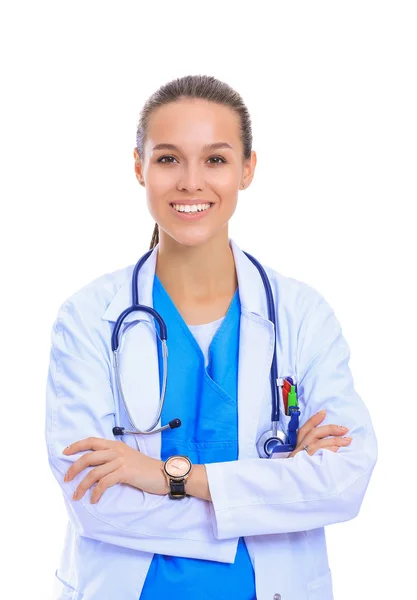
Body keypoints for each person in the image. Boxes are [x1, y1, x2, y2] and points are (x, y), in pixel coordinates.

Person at [45, 74, 378, 600]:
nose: (191, 182)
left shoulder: (301, 315)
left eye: (216, 160)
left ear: (247, 169)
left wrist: (167, 477)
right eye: (168, 158)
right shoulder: (88, 318)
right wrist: (270, 495)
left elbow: (342, 482)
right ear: (139, 168)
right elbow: (96, 503)